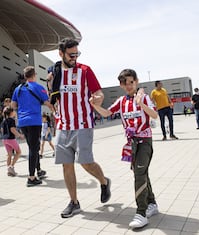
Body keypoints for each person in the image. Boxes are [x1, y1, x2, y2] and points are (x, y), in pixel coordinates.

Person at [47, 38, 111, 218]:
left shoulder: (85, 70)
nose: (74, 57)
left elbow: (98, 92)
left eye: (77, 54)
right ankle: (74, 202)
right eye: (71, 54)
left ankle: (104, 181)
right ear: (61, 53)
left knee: (85, 162)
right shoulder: (54, 72)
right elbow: (53, 96)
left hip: (83, 124)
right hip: (62, 125)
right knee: (67, 165)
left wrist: (98, 98)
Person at [90, 69, 159, 229]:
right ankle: (152, 203)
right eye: (124, 83)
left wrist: (141, 103)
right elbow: (107, 113)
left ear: (136, 81)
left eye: (131, 82)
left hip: (145, 141)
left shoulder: (144, 97)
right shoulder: (121, 101)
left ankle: (141, 212)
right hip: (131, 143)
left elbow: (154, 115)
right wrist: (94, 105)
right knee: (139, 172)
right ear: (121, 85)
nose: (128, 85)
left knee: (139, 174)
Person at [11, 66, 53, 187]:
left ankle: (39, 170)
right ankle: (31, 177)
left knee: (32, 147)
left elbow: (13, 105)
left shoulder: (18, 89)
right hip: (34, 121)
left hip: (22, 122)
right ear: (34, 75)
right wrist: (55, 110)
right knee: (34, 149)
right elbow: (47, 103)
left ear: (25, 76)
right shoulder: (38, 87)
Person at [1, 107, 24, 176]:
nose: (15, 112)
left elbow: (2, 130)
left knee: (9, 154)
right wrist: (20, 135)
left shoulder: (4, 121)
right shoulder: (11, 120)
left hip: (4, 139)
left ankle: (9, 170)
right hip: (11, 139)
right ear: (11, 113)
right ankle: (11, 166)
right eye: (14, 111)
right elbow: (13, 130)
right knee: (19, 152)